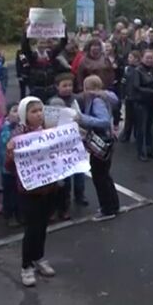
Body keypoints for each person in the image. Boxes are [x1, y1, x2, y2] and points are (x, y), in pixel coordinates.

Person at [5, 96, 60, 287]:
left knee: (43, 225)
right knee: (32, 228)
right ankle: (26, 266)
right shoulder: (17, 136)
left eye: (40, 110)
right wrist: (11, 153)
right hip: (29, 190)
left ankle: (39, 257)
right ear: (24, 114)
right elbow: (9, 167)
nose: (38, 114)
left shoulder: (48, 131)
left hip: (49, 187)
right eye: (33, 111)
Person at [77, 75, 121, 221]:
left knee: (99, 176)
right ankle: (113, 204)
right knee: (105, 175)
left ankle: (107, 209)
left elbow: (103, 121)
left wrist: (82, 118)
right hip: (108, 140)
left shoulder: (96, 101)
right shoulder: (106, 97)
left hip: (101, 141)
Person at [54, 73, 88, 207]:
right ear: (57, 87)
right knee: (65, 172)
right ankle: (65, 197)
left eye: (70, 85)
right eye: (64, 86)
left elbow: (84, 115)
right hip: (62, 142)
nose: (68, 88)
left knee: (79, 170)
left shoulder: (78, 99)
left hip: (78, 139)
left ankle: (80, 194)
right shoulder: (53, 102)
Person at [128, 49, 153, 161]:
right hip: (141, 103)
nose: (149, 60)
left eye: (151, 57)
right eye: (147, 57)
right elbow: (136, 87)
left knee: (150, 128)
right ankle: (141, 151)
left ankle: (150, 149)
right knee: (141, 128)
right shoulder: (137, 71)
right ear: (142, 58)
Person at [0, 102, 22, 228]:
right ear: (7, 115)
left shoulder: (22, 127)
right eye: (14, 110)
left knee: (18, 193)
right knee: (10, 193)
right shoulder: (5, 129)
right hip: (8, 169)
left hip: (19, 169)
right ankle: (9, 215)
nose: (17, 113)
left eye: (19, 111)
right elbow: (6, 143)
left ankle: (19, 214)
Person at [119, 50, 141, 143]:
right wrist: (123, 94)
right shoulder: (127, 69)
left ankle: (137, 135)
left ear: (136, 59)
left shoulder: (139, 69)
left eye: (131, 57)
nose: (129, 59)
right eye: (129, 57)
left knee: (137, 117)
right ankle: (126, 135)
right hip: (129, 96)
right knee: (128, 117)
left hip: (137, 97)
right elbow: (123, 82)